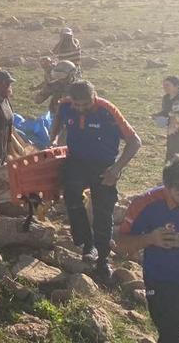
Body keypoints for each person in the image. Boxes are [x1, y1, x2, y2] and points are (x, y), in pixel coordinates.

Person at [50, 80, 142, 279]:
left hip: (103, 167)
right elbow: (56, 129)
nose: (81, 109)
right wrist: (54, 144)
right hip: (75, 162)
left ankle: (102, 259)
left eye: (86, 104)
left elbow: (135, 142)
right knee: (72, 199)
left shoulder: (107, 111)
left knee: (103, 211)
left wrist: (116, 169)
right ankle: (86, 243)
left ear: (95, 96)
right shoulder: (65, 106)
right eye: (78, 105)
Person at [116, 156, 179, 343]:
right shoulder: (146, 203)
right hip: (163, 281)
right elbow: (119, 242)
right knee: (171, 335)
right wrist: (150, 239)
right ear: (167, 186)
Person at [153, 76, 179, 162]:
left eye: (167, 85)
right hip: (172, 130)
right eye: (164, 85)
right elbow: (165, 112)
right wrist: (158, 116)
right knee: (172, 153)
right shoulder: (166, 98)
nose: (165, 88)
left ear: (176, 86)